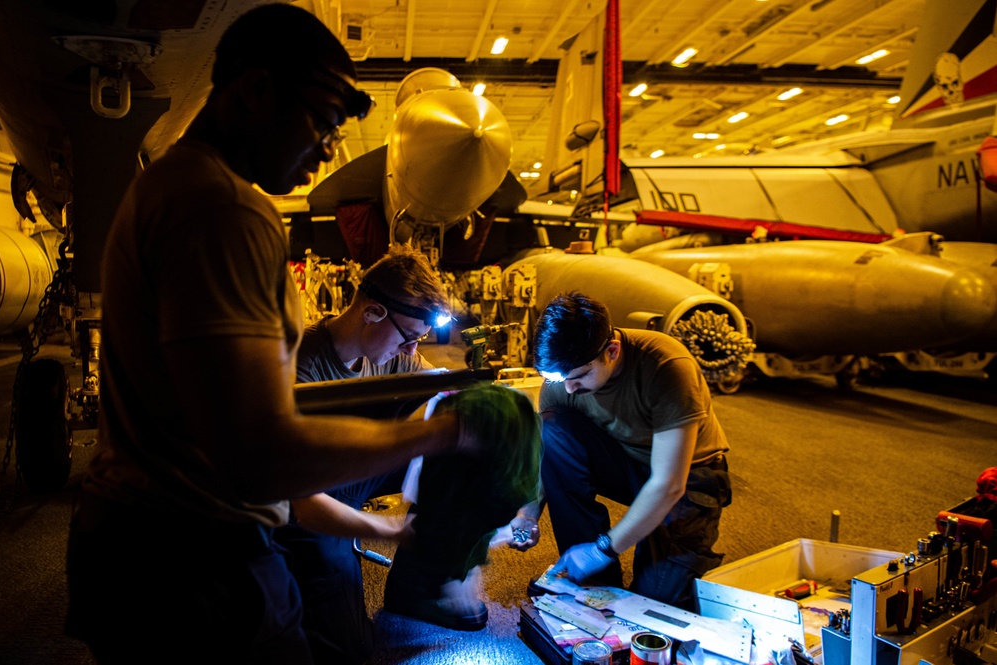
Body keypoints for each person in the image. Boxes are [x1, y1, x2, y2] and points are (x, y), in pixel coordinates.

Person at [64, 6, 488, 663]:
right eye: (320, 122)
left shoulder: (169, 188)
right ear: (256, 91)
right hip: (194, 563)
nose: (326, 148)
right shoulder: (225, 208)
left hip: (141, 545)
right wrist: (442, 432)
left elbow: (227, 403)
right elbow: (257, 451)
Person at [279, 243, 519, 663]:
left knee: (461, 442)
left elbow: (442, 386)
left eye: (421, 340)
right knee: (351, 652)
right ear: (372, 312)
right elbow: (305, 504)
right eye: (410, 338)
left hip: (352, 470)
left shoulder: (389, 351)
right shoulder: (301, 366)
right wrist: (394, 531)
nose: (412, 351)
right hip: (305, 502)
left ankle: (417, 591)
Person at [519, 291, 732, 610]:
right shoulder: (564, 376)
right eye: (557, 378)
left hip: (689, 479)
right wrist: (528, 513)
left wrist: (602, 549)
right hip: (627, 460)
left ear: (612, 350)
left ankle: (609, 564)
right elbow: (546, 454)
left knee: (651, 610)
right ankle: (595, 582)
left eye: (577, 377)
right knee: (552, 429)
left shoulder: (666, 366)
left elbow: (668, 484)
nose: (567, 389)